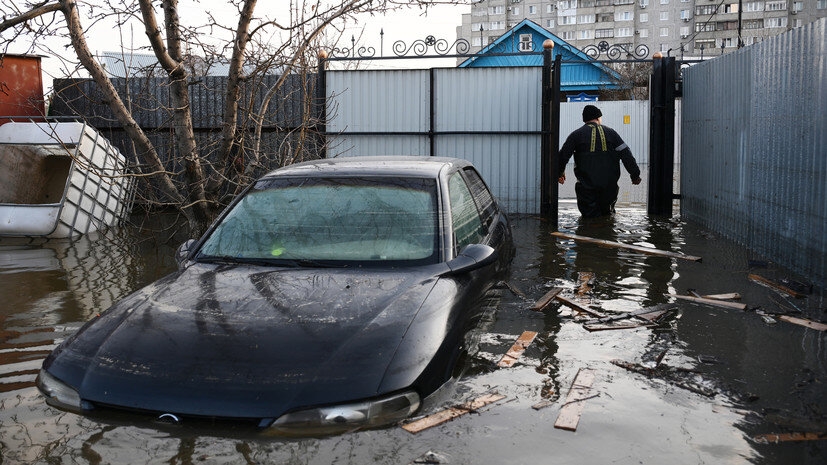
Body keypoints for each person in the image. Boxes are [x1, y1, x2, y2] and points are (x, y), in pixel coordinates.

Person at [558, 105, 642, 218]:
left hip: (586, 188)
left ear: (585, 120)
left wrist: (560, 173)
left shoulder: (576, 135)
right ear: (598, 118)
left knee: (588, 220)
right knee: (608, 218)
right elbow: (626, 154)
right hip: (609, 187)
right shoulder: (611, 133)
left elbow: (563, 157)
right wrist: (635, 175)